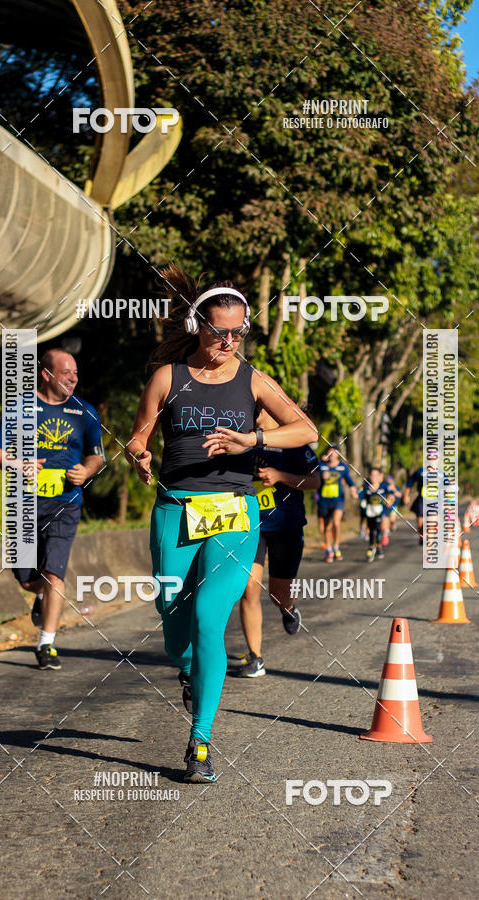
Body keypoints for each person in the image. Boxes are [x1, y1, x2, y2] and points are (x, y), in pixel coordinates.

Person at [125, 263, 317, 783]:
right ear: (197, 327)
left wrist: (251, 441)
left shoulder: (253, 381)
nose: (230, 341)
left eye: (239, 331)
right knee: (172, 614)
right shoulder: (169, 377)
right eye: (219, 332)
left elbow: (304, 429)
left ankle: (200, 744)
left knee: (211, 616)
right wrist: (138, 453)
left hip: (234, 510)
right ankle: (187, 668)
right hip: (175, 507)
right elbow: (139, 435)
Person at [0, 349, 105, 670]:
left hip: (65, 502)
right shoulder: (21, 408)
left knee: (54, 572)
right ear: (47, 374)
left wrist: (87, 471)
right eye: (66, 372)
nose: (73, 378)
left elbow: (97, 456)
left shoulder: (85, 411)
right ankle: (39, 595)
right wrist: (17, 463)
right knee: (27, 579)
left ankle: (46, 643)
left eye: (76, 373)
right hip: (23, 502)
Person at [235, 410, 320, 677]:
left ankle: (289, 608)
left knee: (277, 595)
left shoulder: (295, 441)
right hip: (251, 526)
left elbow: (316, 481)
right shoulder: (242, 441)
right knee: (249, 587)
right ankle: (255, 657)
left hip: (287, 527)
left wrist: (280, 476)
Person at [317, 444, 357, 561]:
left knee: (336, 522)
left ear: (338, 454)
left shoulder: (342, 467)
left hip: (338, 500)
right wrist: (321, 477)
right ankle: (328, 549)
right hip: (324, 501)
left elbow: (350, 481)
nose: (332, 454)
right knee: (327, 527)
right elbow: (313, 479)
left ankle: (336, 546)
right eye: (330, 452)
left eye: (334, 452)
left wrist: (353, 490)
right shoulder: (321, 466)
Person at [362, 466, 395, 561]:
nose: (374, 477)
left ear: (379, 476)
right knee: (371, 529)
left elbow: (391, 494)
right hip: (370, 512)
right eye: (372, 475)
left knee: (377, 528)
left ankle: (374, 547)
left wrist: (389, 499)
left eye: (376, 475)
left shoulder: (383, 486)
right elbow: (360, 496)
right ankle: (375, 546)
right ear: (369, 476)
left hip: (381, 511)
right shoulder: (366, 486)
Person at [403, 465, 424, 544]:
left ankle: (431, 539)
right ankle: (422, 537)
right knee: (420, 524)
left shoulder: (440, 473)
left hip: (436, 501)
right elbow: (410, 482)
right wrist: (406, 495)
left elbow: (447, 485)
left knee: (433, 522)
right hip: (422, 500)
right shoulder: (420, 471)